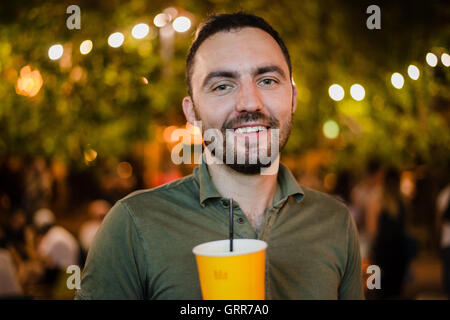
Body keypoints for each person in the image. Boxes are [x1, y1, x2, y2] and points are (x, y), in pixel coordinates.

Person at [76, 12, 364, 300]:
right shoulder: (133, 225)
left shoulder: (335, 222)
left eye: (267, 80)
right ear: (191, 112)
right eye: (222, 86)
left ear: (293, 97)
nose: (250, 102)